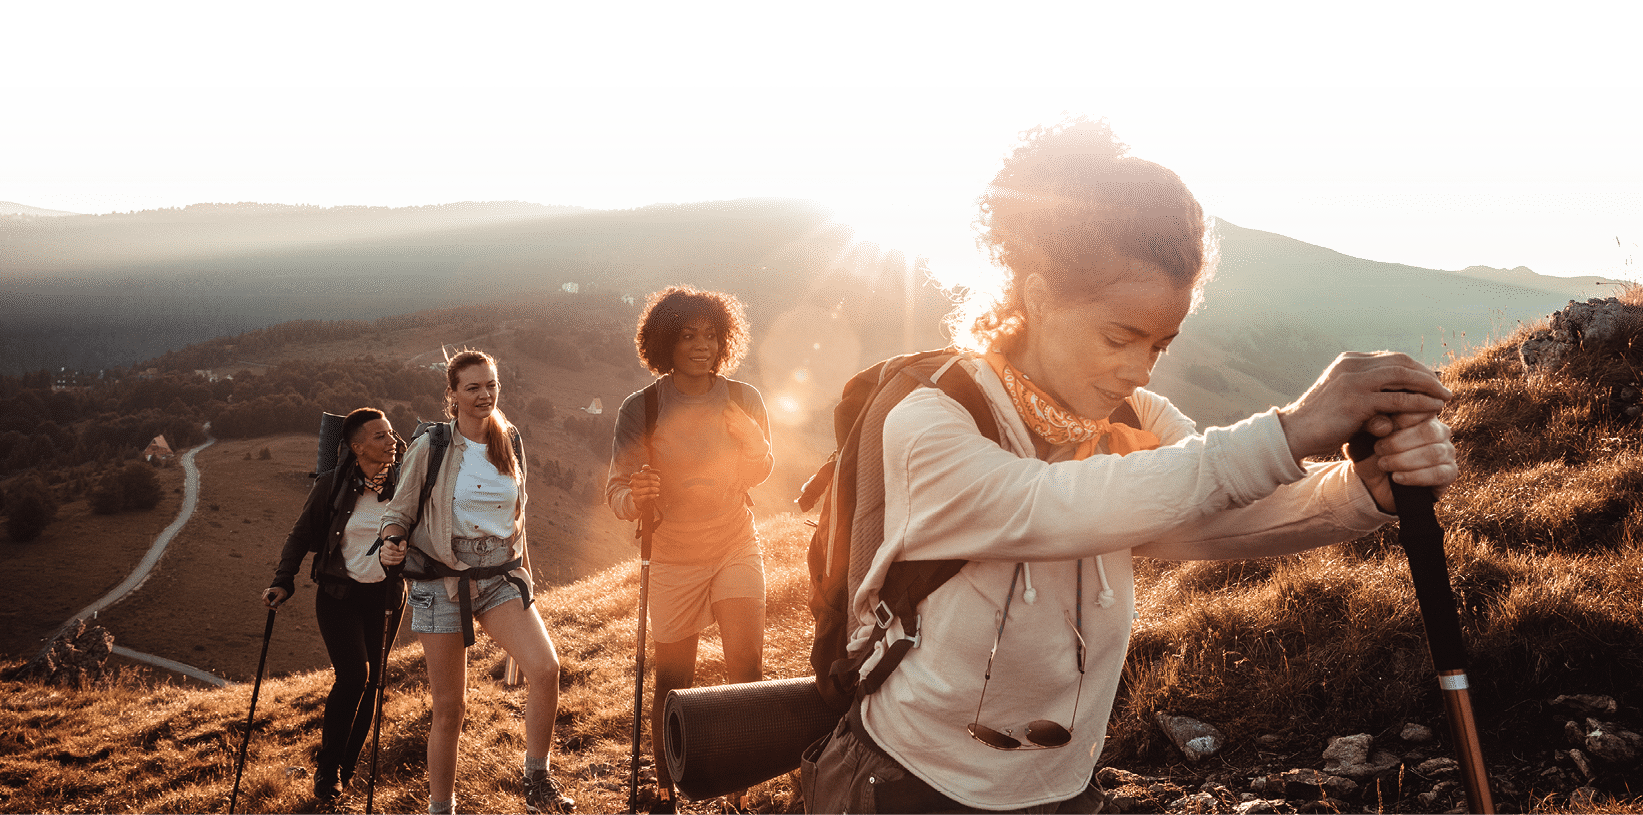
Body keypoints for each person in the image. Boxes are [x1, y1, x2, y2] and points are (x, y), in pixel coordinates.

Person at [800, 115, 1460, 815]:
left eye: (1160, 344)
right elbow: (1052, 506)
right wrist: (1293, 429)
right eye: (1120, 336)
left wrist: (1365, 493)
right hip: (913, 785)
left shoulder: (1132, 419)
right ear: (1036, 296)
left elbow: (1214, 513)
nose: (1137, 367)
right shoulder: (931, 420)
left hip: (1066, 788)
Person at [379, 350, 575, 815]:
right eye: (473, 387)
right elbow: (399, 512)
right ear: (452, 394)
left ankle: (537, 779)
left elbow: (516, 515)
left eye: (491, 385)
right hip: (441, 580)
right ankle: (441, 808)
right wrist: (391, 541)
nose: (485, 394)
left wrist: (523, 573)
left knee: (545, 670)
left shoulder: (509, 439)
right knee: (450, 709)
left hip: (498, 576)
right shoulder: (433, 446)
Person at [607, 285, 774, 814]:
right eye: (687, 335)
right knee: (673, 680)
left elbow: (760, 470)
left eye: (711, 335)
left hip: (733, 543)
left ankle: (741, 786)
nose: (702, 345)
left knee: (745, 667)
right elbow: (617, 492)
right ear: (664, 342)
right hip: (674, 555)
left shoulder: (744, 398)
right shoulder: (644, 407)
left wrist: (751, 443)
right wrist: (637, 496)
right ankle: (664, 787)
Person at [264, 406, 406, 803]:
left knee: (374, 684)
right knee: (354, 677)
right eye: (380, 436)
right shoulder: (330, 486)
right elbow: (299, 535)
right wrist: (282, 581)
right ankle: (327, 771)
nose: (391, 440)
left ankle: (344, 771)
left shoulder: (408, 482)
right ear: (356, 447)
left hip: (386, 596)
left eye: (391, 433)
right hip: (338, 595)